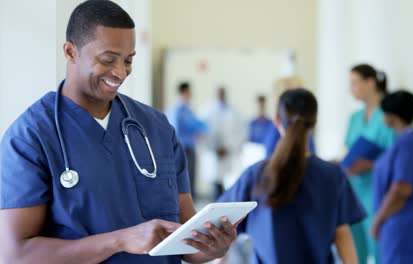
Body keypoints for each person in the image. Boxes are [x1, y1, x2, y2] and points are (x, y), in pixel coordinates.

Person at [0, 1, 237, 263]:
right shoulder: (30, 137)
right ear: (70, 52)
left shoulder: (157, 129)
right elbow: (16, 254)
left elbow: (185, 239)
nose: (121, 72)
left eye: (128, 60)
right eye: (108, 59)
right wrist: (119, 240)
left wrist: (213, 248)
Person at [219, 88, 366, 263]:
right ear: (314, 123)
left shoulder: (256, 175)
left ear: (276, 121)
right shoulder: (332, 175)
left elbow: (224, 225)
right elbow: (342, 235)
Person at [344, 64, 395, 263]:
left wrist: (371, 165)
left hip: (378, 192)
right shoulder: (355, 118)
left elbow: (396, 156)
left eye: (354, 83)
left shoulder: (388, 115)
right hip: (354, 191)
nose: (351, 89)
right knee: (355, 252)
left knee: (380, 248)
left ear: (370, 82)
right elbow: (350, 149)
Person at [371, 90, 413, 264]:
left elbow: (402, 188)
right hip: (396, 226)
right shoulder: (402, 140)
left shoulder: (409, 142)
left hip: (402, 227)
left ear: (392, 116)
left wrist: (377, 221)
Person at [202, 86, 247, 200]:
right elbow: (202, 133)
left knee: (229, 183)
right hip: (214, 153)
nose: (220, 95)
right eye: (218, 93)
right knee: (216, 184)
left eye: (222, 93)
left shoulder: (235, 111)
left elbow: (241, 132)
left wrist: (228, 148)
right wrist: (215, 148)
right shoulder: (207, 110)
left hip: (229, 153)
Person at [167, 81, 207, 200]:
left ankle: (191, 206)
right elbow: (175, 131)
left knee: (191, 178)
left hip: (190, 148)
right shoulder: (177, 111)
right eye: (189, 92)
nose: (191, 94)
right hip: (183, 150)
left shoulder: (188, 110)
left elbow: (198, 125)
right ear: (184, 92)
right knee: (184, 180)